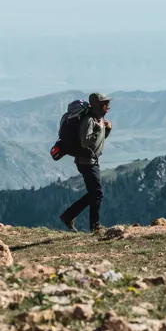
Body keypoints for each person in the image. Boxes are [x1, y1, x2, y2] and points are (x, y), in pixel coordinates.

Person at [60, 92, 112, 233]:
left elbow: (98, 141)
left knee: (94, 193)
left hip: (92, 160)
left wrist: (107, 130)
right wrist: (98, 129)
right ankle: (94, 226)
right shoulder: (90, 120)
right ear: (99, 105)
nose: (109, 106)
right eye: (106, 103)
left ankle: (69, 216)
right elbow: (85, 141)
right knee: (97, 194)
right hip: (86, 161)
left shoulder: (98, 119)